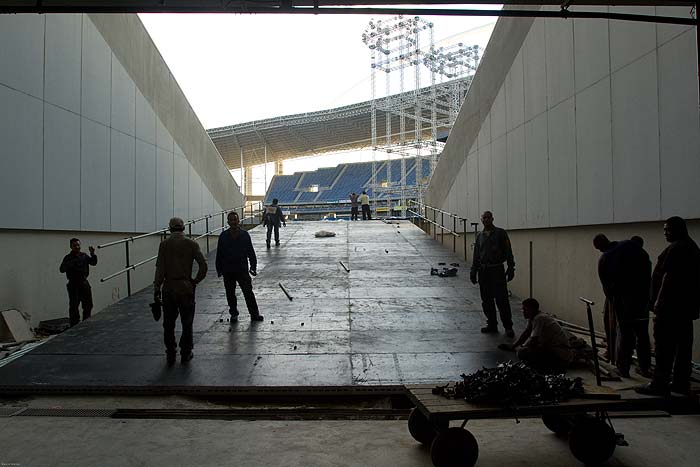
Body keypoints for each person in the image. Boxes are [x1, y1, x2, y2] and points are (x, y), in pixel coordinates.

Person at [637, 217, 700, 396]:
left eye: (668, 230)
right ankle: (680, 382)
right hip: (685, 310)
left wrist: (658, 302)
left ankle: (660, 383)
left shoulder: (677, 249)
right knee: (683, 348)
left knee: (664, 347)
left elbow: (668, 277)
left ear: (678, 229)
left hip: (670, 309)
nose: (665, 233)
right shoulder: (692, 247)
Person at [594, 234, 652, 377]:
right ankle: (645, 368)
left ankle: (623, 369)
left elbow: (607, 287)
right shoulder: (630, 245)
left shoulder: (605, 258)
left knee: (625, 334)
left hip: (623, 301)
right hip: (642, 299)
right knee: (642, 335)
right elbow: (648, 269)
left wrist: (614, 299)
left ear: (600, 247)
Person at [154, 217, 208, 365]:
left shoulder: (164, 245)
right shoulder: (191, 243)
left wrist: (156, 288)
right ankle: (186, 352)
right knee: (187, 322)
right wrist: (195, 281)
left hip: (169, 288)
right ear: (183, 228)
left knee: (169, 323)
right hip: (186, 288)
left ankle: (171, 353)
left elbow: (160, 269)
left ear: (170, 228)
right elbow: (203, 265)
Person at [470, 211, 516, 337]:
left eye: (488, 217)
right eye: (484, 218)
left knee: (502, 300)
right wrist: (473, 270)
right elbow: (476, 255)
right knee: (486, 300)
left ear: (492, 219)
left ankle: (508, 327)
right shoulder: (480, 236)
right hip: (484, 272)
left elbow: (508, 250)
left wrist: (511, 267)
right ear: (481, 220)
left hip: (497, 270)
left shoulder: (501, 233)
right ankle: (492, 324)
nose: (486, 220)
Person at [500, 298, 573, 374]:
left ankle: (547, 368)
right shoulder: (533, 317)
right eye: (523, 310)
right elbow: (526, 333)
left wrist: (522, 347)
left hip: (560, 355)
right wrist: (513, 346)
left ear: (532, 310)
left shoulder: (539, 318)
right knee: (524, 351)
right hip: (557, 351)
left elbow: (533, 340)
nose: (523, 312)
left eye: (525, 310)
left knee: (522, 353)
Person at [216, 211, 263, 323]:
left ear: (238, 220)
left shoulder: (245, 235)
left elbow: (251, 252)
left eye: (235, 219)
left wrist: (253, 266)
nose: (233, 222)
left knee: (248, 292)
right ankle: (233, 314)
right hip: (228, 270)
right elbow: (219, 254)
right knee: (230, 294)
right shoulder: (223, 236)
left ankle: (254, 314)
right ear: (228, 222)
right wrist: (219, 269)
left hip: (242, 269)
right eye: (231, 220)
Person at [59, 238, 98, 327]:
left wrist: (92, 253)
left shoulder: (84, 255)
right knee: (74, 306)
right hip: (73, 284)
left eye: (78, 245)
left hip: (84, 283)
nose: (77, 247)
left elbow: (93, 262)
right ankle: (74, 325)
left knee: (88, 304)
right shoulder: (68, 258)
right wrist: (71, 263)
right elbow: (61, 269)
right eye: (74, 245)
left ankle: (86, 323)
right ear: (71, 247)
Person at [593, 233, 619, 364]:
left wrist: (610, 298)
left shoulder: (605, 258)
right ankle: (616, 353)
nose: (599, 251)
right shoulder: (621, 248)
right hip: (631, 295)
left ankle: (613, 354)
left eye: (598, 248)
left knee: (611, 324)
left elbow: (605, 283)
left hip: (615, 296)